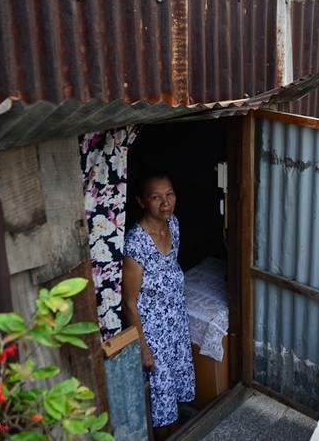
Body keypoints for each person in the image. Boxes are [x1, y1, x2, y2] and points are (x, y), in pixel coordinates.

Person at [122, 173, 195, 440]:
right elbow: (129, 302)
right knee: (161, 402)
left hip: (176, 325)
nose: (165, 203)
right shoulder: (135, 244)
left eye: (170, 194)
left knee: (173, 392)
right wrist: (142, 348)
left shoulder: (172, 224)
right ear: (141, 201)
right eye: (156, 197)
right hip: (153, 336)